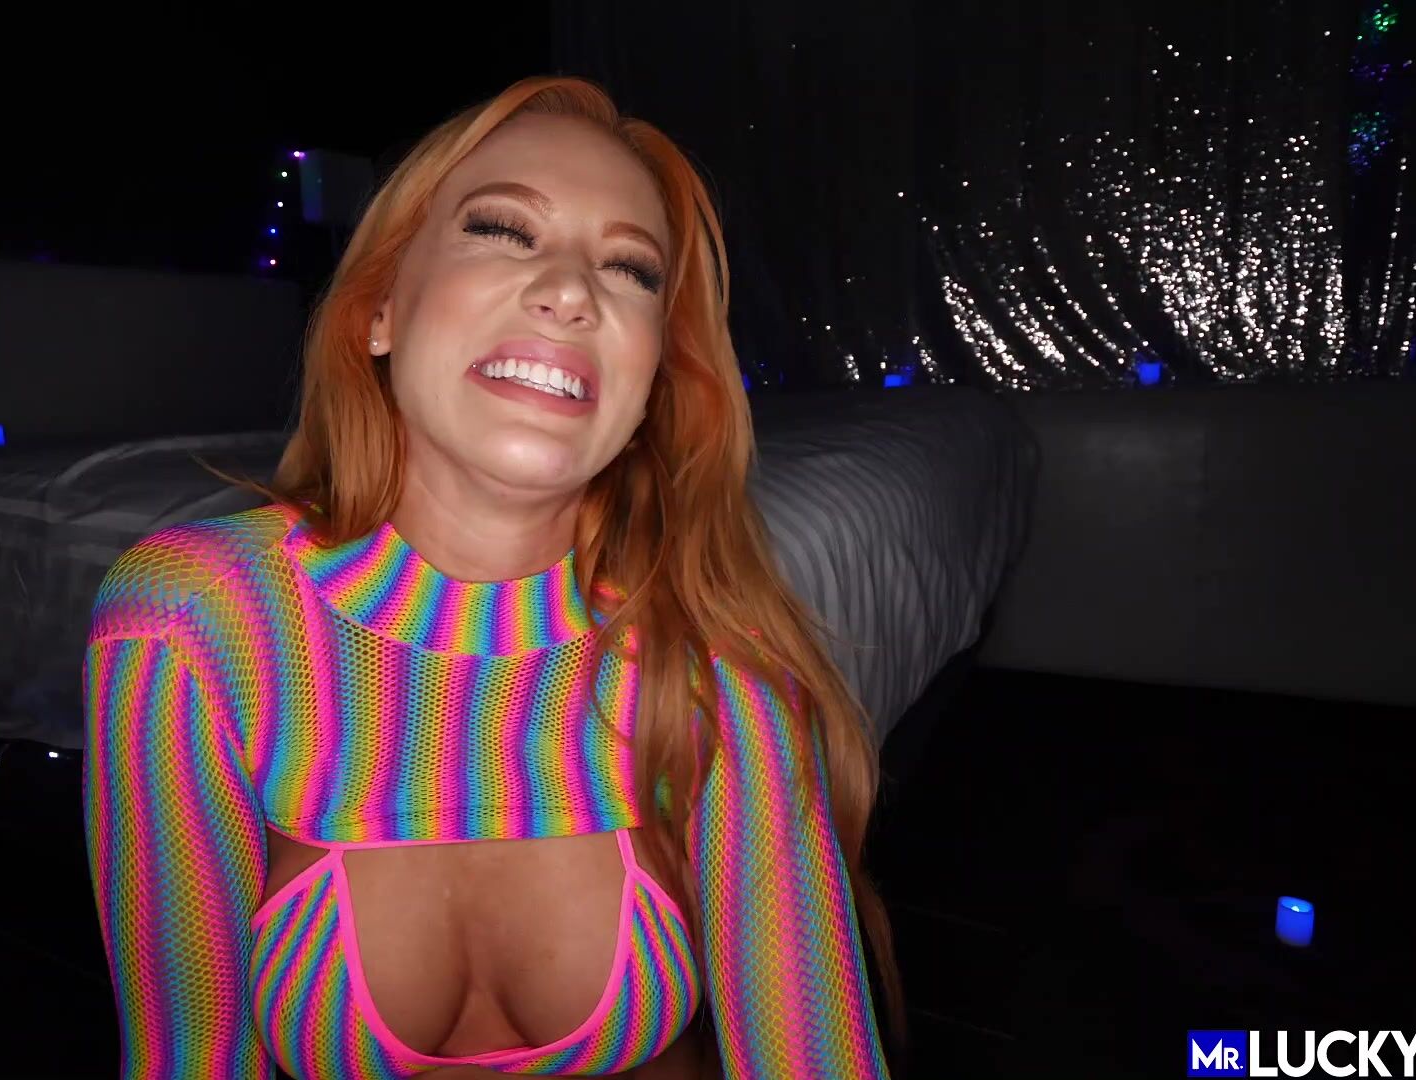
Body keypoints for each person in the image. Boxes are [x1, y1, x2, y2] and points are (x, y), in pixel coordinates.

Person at [82, 75, 904, 1079]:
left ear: (650, 381)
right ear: (379, 312)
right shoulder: (190, 618)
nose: (572, 291)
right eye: (503, 230)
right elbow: (187, 1055)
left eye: (631, 270)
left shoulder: (720, 660)